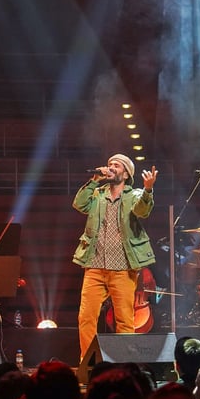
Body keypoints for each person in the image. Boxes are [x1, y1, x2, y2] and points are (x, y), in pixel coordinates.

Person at [72, 153, 157, 361]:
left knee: (125, 320)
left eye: (117, 165)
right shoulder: (97, 194)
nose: (111, 167)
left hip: (122, 268)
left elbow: (143, 211)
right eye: (110, 164)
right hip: (95, 266)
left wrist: (148, 189)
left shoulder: (134, 194)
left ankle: (124, 364)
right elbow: (79, 204)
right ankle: (88, 362)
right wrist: (94, 180)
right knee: (86, 317)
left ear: (126, 174)